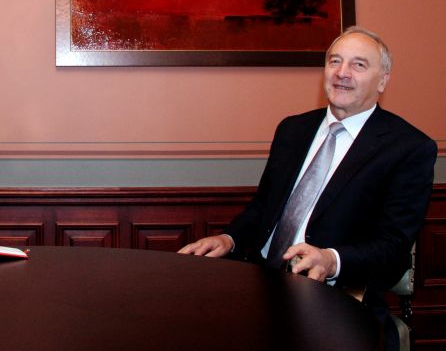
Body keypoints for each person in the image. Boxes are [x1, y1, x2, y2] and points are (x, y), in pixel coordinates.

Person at [178, 26, 435, 350]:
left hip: (340, 299)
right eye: (335, 61)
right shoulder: (293, 129)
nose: (342, 73)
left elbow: (393, 245)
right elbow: (263, 209)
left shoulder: (408, 148)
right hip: (259, 285)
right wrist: (228, 239)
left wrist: (331, 259)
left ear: (383, 81)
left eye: (358, 65)